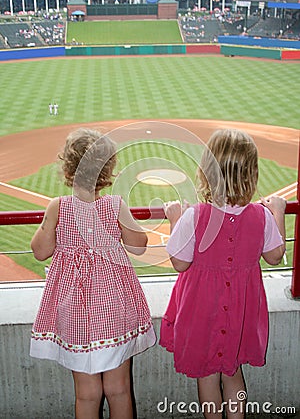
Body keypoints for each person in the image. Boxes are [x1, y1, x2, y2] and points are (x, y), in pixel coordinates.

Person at [30, 128, 156, 419]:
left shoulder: (58, 207)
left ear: (68, 167)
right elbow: (139, 246)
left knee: (86, 394)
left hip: (75, 313)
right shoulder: (115, 206)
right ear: (107, 169)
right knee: (119, 389)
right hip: (113, 309)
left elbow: (40, 251)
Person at [160, 129, 286, 419]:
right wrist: (278, 211)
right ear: (251, 173)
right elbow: (275, 256)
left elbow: (180, 262)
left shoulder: (196, 215)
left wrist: (175, 218)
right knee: (233, 371)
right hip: (240, 311)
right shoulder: (261, 215)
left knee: (207, 376)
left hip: (202, 311)